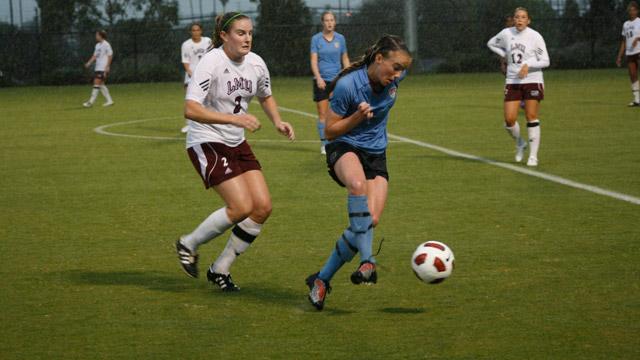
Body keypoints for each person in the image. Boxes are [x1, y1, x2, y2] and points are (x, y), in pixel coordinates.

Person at [175, 12, 295, 292]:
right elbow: (190, 109)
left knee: (262, 207)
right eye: (240, 33)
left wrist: (278, 121)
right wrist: (235, 119)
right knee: (240, 207)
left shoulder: (256, 63)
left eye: (250, 33)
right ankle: (188, 243)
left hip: (236, 142)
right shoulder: (211, 62)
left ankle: (220, 268)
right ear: (224, 36)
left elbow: (265, 95)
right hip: (206, 140)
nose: (247, 38)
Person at [305, 35, 412, 310]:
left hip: (376, 153)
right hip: (344, 145)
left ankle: (321, 280)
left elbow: (397, 70)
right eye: (395, 67)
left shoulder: (393, 79)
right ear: (379, 59)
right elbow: (329, 131)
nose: (398, 74)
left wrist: (397, 71)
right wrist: (356, 117)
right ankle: (368, 261)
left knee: (369, 221)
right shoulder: (347, 86)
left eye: (402, 70)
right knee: (356, 185)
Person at [487, 7, 550, 167]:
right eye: (517, 17)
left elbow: (545, 60)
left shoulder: (535, 37)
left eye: (523, 17)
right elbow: (491, 43)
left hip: (532, 80)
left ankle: (533, 156)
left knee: (530, 115)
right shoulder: (507, 34)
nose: (519, 20)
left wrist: (528, 65)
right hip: (513, 80)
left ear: (528, 20)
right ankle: (520, 142)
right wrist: (505, 55)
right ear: (513, 19)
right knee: (509, 120)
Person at [310, 11, 350, 154]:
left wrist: (347, 75)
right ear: (323, 22)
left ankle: (338, 141)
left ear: (335, 22)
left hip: (337, 81)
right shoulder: (316, 39)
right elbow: (313, 61)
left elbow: (345, 58)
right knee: (323, 114)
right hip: (321, 81)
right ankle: (324, 144)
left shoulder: (341, 39)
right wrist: (319, 77)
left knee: (338, 112)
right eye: (327, 20)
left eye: (332, 20)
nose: (329, 23)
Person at [181, 22, 212, 133]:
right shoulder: (186, 44)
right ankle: (189, 125)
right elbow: (185, 62)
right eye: (193, 30)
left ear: (201, 31)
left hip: (206, 74)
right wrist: (191, 73)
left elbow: (212, 55)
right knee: (190, 100)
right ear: (190, 32)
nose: (196, 32)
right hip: (191, 75)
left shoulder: (207, 41)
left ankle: (207, 123)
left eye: (197, 30)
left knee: (207, 100)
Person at [616, 1, 640, 107]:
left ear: (637, 11)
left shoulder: (639, 21)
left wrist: (638, 38)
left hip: (639, 50)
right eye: (630, 10)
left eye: (633, 10)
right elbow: (624, 41)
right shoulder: (625, 24)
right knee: (633, 75)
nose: (632, 12)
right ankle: (637, 100)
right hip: (630, 53)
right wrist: (619, 56)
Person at [83, 30, 114, 107]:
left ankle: (90, 102)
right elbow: (95, 56)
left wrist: (107, 66)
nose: (96, 36)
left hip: (103, 67)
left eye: (97, 35)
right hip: (98, 67)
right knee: (101, 85)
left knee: (96, 83)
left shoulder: (106, 45)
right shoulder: (97, 45)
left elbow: (110, 56)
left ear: (101, 36)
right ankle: (109, 100)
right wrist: (89, 63)